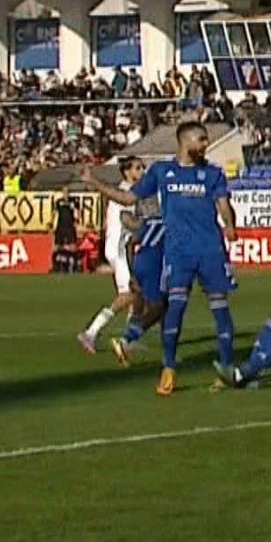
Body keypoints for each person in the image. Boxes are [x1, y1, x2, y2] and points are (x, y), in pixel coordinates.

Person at [82, 122, 238, 397]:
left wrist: (230, 226)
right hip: (178, 253)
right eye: (201, 139)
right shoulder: (161, 172)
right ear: (184, 140)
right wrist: (95, 183)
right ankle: (168, 370)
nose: (205, 144)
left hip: (211, 250)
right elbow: (128, 198)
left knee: (220, 310)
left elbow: (224, 204)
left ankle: (226, 369)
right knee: (173, 308)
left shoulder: (212, 173)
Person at [77, 156, 146, 353]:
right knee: (128, 294)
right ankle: (91, 332)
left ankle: (129, 338)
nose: (142, 172)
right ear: (127, 172)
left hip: (118, 246)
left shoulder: (124, 190)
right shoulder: (127, 192)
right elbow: (128, 222)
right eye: (138, 168)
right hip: (119, 248)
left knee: (138, 293)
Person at [109, 196, 167, 368]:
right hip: (153, 265)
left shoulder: (147, 223)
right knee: (160, 307)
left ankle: (129, 343)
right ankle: (126, 340)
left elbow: (129, 243)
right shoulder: (171, 223)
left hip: (139, 263)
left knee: (142, 303)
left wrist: (133, 272)